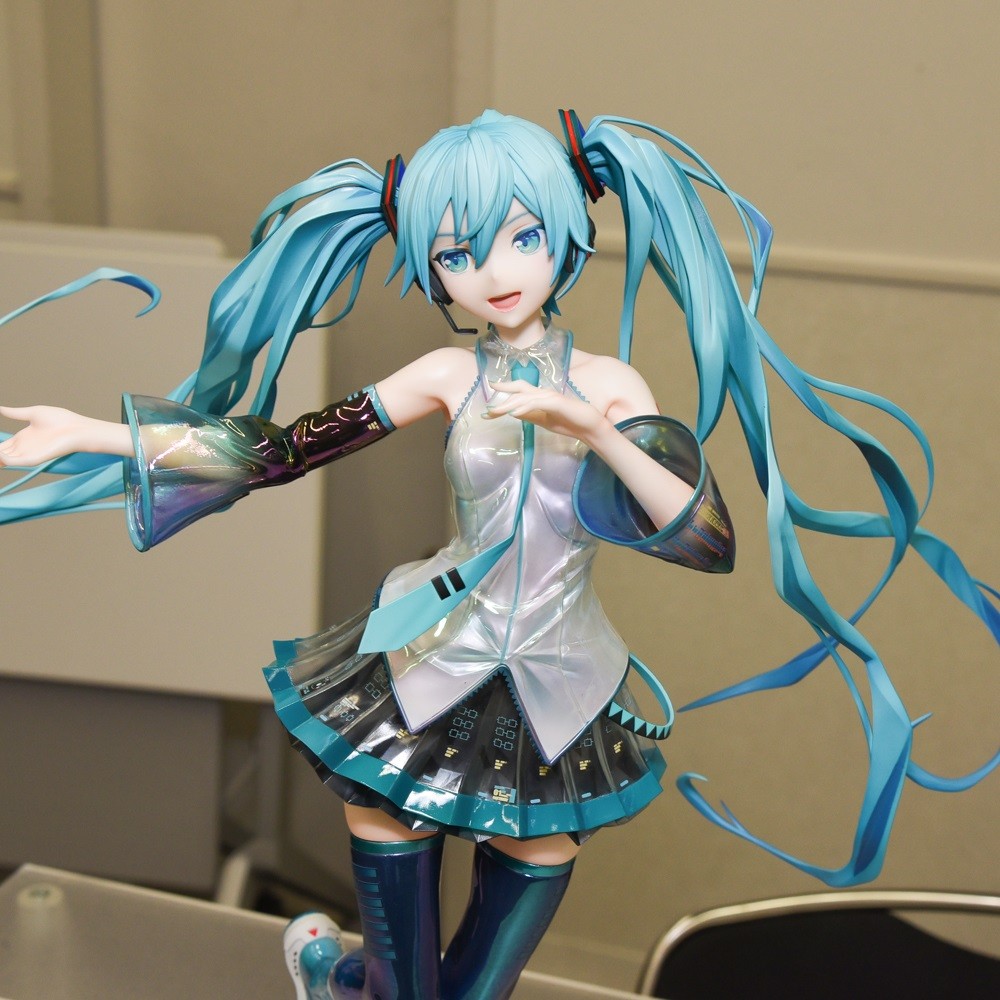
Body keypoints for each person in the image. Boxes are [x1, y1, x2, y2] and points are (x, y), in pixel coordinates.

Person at [0, 110, 995, 1000]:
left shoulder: (612, 384)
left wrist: (592, 428)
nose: (494, 272)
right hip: (424, 663)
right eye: (457, 254)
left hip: (560, 681)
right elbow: (281, 450)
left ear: (566, 231)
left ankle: (334, 976)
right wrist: (95, 432)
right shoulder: (446, 371)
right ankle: (348, 976)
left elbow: (706, 538)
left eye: (523, 236)